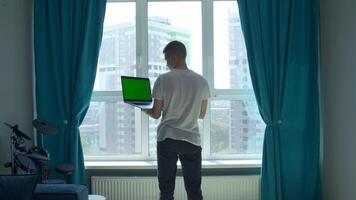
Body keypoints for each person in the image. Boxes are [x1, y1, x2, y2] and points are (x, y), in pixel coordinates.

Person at [143, 40, 210, 200]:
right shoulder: (201, 81)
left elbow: (156, 113)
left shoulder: (163, 79)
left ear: (174, 56)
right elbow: (201, 114)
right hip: (192, 140)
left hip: (168, 139)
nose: (166, 64)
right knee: (194, 189)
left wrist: (142, 106)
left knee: (166, 191)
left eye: (166, 59)